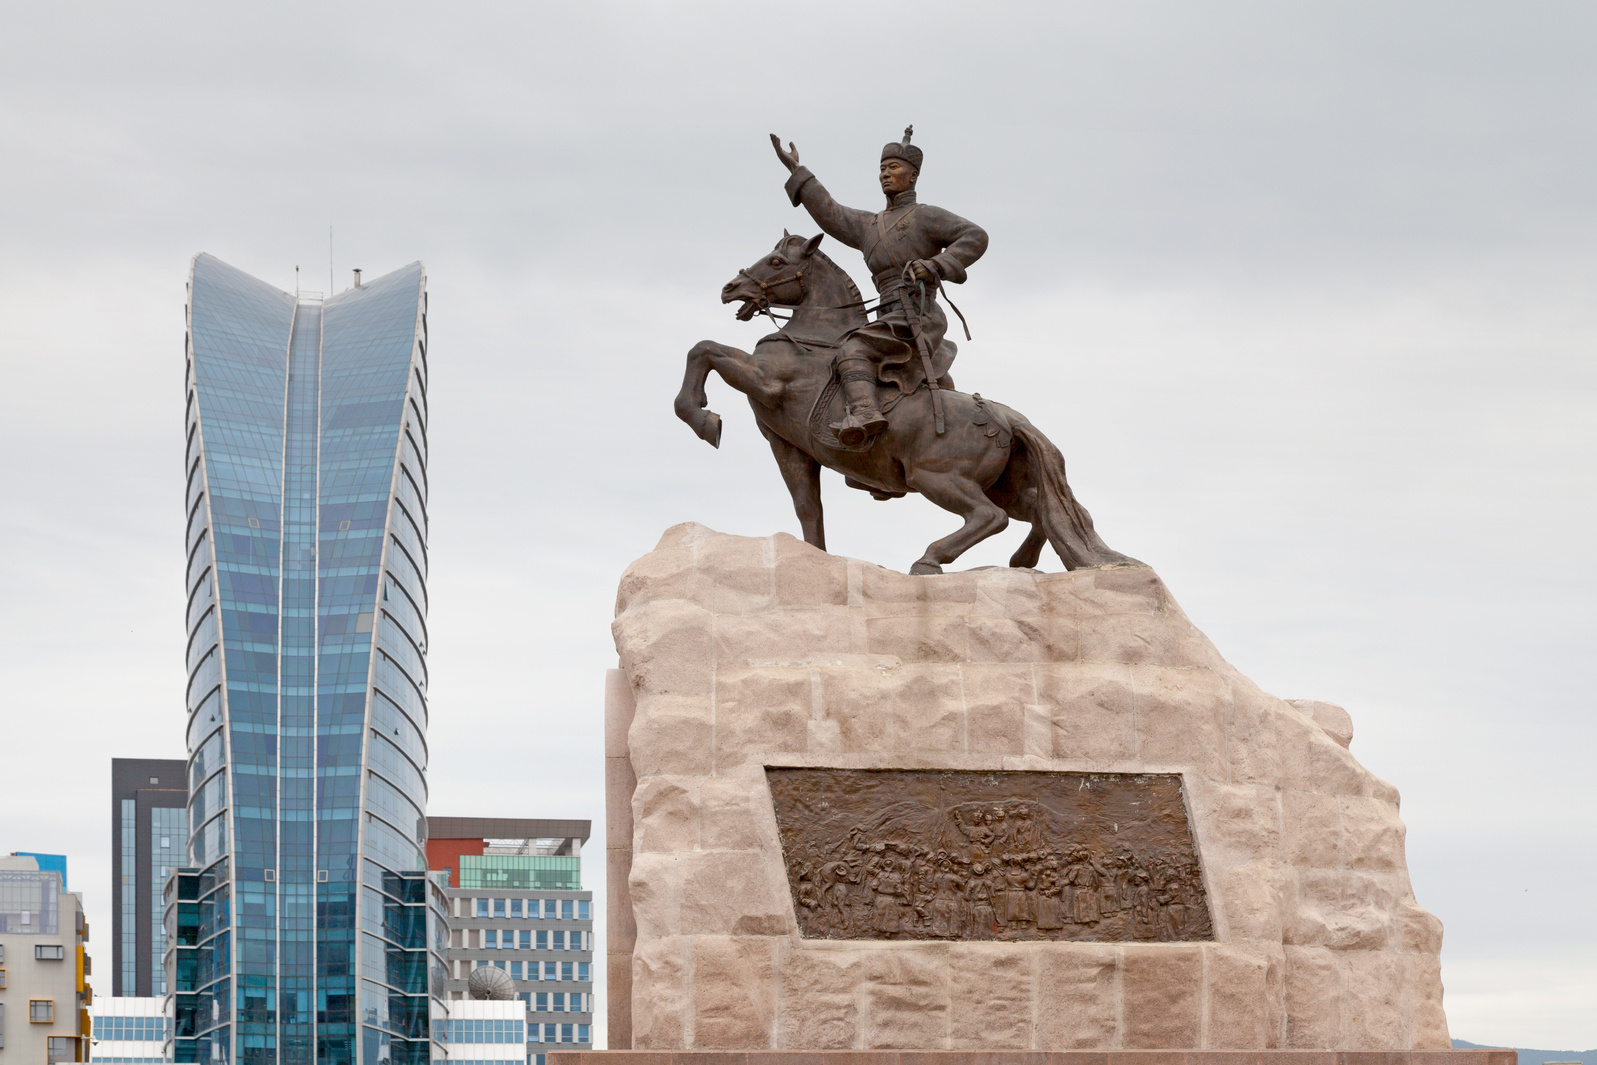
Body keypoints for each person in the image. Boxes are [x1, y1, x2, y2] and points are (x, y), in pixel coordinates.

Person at [771, 127, 989, 446]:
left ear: (912, 176)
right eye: (882, 169)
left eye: (894, 168)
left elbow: (975, 236)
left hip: (917, 312)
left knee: (852, 349)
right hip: (888, 316)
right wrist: (797, 171)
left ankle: (865, 414)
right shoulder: (869, 225)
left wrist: (935, 265)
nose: (885, 175)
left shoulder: (926, 216)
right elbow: (830, 212)